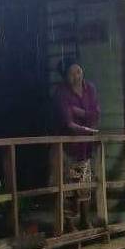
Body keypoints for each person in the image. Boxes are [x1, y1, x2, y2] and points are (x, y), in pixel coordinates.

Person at [52, 60, 101, 231]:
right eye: (72, 73)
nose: (76, 76)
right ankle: (70, 223)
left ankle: (85, 221)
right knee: (69, 188)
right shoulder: (61, 93)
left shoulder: (90, 89)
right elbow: (68, 123)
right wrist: (88, 126)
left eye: (78, 72)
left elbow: (96, 114)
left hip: (84, 147)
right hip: (67, 148)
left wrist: (81, 113)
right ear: (66, 76)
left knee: (85, 185)